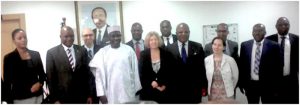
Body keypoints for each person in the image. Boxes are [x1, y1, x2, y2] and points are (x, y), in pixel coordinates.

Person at [89, 26, 142, 104]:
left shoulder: (129, 50)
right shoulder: (103, 52)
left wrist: (137, 88)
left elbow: (135, 71)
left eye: (118, 35)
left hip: (127, 90)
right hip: (110, 92)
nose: (116, 38)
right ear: (109, 37)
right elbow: (98, 75)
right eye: (113, 36)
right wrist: (101, 93)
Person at [46, 26, 92, 103]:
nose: (69, 39)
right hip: (63, 98)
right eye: (66, 36)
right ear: (60, 37)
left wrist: (89, 95)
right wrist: (55, 99)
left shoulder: (82, 50)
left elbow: (87, 74)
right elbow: (50, 78)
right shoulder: (52, 53)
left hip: (82, 96)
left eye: (72, 36)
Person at [239, 24, 282, 104]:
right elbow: (242, 66)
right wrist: (241, 83)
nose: (257, 33)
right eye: (255, 31)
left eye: (260, 31)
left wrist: (277, 87)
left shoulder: (274, 46)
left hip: (268, 85)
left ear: (265, 32)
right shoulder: (245, 45)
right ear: (252, 33)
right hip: (250, 85)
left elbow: (278, 67)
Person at [167, 23, 207, 103]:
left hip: (194, 90)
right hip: (176, 91)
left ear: (189, 33)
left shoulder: (198, 47)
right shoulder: (169, 48)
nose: (183, 34)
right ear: (176, 33)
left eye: (186, 32)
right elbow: (167, 70)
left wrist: (204, 87)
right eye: (180, 32)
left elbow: (202, 69)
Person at [3, 28, 46, 104]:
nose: (23, 40)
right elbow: (7, 83)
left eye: (25, 37)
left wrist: (39, 84)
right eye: (19, 38)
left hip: (37, 97)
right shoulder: (9, 58)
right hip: (19, 99)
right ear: (14, 41)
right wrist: (8, 101)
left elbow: (42, 75)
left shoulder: (35, 54)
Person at [266, 17, 299, 104]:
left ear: (289, 26)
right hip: (274, 82)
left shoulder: (297, 39)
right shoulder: (268, 40)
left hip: (291, 81)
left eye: (286, 24)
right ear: (276, 26)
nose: (283, 26)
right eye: (280, 25)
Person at [139, 31, 175, 103]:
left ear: (158, 40)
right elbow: (142, 73)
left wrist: (163, 84)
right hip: (149, 90)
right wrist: (151, 83)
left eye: (155, 39)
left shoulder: (167, 54)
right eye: (151, 40)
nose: (154, 42)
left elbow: (171, 72)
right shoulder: (143, 54)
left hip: (165, 89)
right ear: (148, 42)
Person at [204, 36, 238, 103]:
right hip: (212, 93)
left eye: (219, 45)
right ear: (212, 45)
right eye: (214, 44)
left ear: (224, 47)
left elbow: (235, 77)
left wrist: (230, 88)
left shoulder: (230, 60)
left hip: (227, 93)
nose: (216, 47)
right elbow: (205, 78)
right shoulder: (206, 60)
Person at [81, 28, 101, 103]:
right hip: (86, 91)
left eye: (90, 35)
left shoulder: (101, 49)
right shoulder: (79, 51)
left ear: (94, 36)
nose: (88, 37)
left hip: (102, 89)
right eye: (85, 35)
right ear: (82, 37)